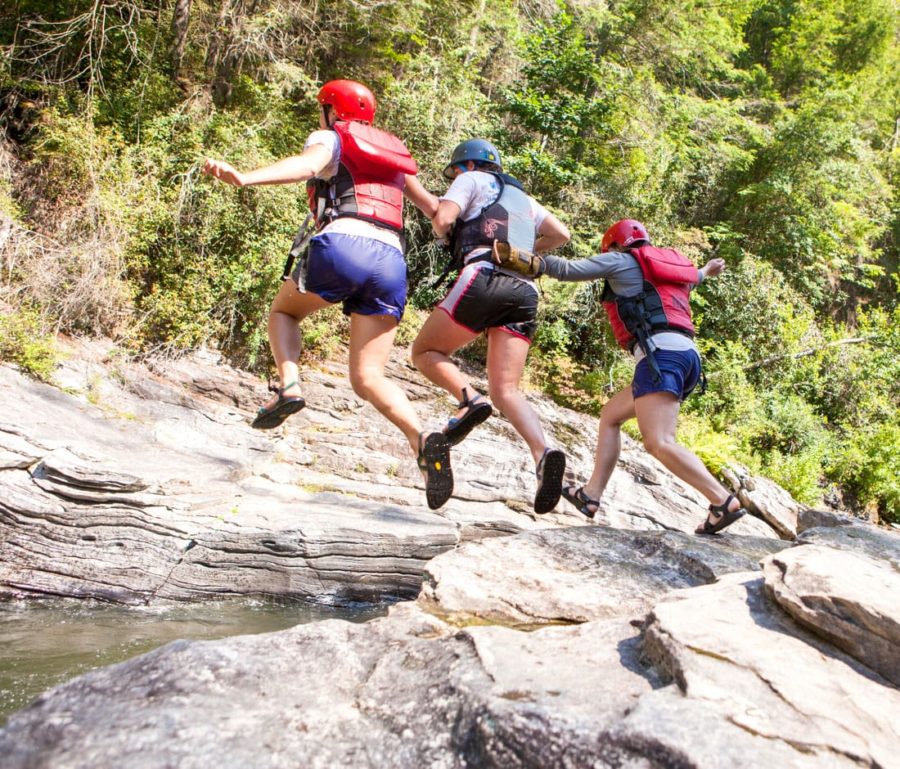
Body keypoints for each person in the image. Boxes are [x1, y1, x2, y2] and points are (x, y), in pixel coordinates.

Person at [202, 79, 453, 510]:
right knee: (368, 376)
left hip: (344, 246)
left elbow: (306, 166)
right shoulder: (394, 159)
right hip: (391, 261)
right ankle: (423, 438)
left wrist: (245, 177)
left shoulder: (332, 136)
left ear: (332, 111)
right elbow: (436, 211)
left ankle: (290, 386)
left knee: (284, 313)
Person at [537, 218, 746, 534]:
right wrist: (707, 269)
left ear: (616, 244)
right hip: (686, 358)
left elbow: (567, 270)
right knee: (610, 415)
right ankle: (590, 496)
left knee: (659, 441)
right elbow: (695, 279)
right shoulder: (669, 270)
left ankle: (722, 501)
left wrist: (527, 256)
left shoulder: (621, 260)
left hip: (660, 357)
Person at [410, 139, 571, 514]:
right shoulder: (523, 199)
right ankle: (543, 454)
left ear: (465, 165)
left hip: (484, 276)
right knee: (508, 389)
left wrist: (443, 230)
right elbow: (561, 234)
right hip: (526, 290)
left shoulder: (471, 180)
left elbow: (444, 219)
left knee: (425, 351)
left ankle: (469, 400)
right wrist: (528, 253)